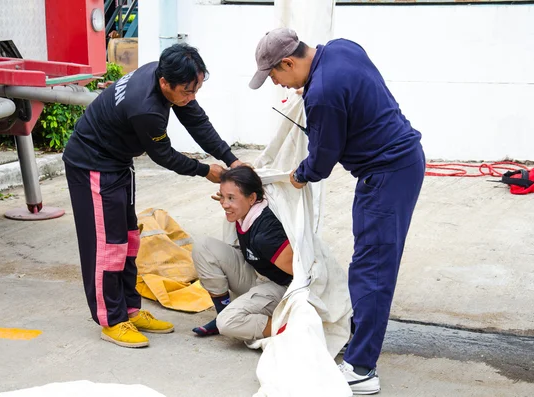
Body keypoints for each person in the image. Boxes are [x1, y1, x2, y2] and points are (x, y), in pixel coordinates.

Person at [249, 28, 426, 394]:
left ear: (288, 62)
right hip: (399, 163)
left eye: (275, 76)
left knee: (372, 269)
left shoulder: (323, 94)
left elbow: (323, 159)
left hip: (386, 174)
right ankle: (361, 346)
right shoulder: (342, 49)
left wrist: (300, 175)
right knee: (370, 264)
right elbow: (348, 93)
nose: (277, 85)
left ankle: (362, 368)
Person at [62, 43, 243, 348]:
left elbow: (196, 119)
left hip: (117, 163)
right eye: (187, 90)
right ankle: (112, 320)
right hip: (91, 165)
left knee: (129, 240)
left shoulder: (167, 75)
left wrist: (231, 158)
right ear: (164, 83)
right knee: (108, 247)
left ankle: (131, 310)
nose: (192, 96)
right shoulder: (146, 108)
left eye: (196, 88)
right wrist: (205, 171)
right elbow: (164, 156)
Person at [191, 166, 293, 340]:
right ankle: (222, 312)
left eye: (231, 198)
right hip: (257, 275)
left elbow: (303, 275)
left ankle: (295, 328)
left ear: (252, 198)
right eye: (222, 197)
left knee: (228, 323)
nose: (224, 204)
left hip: (281, 287)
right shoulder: (245, 209)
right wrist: (231, 199)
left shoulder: (266, 235)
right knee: (203, 246)